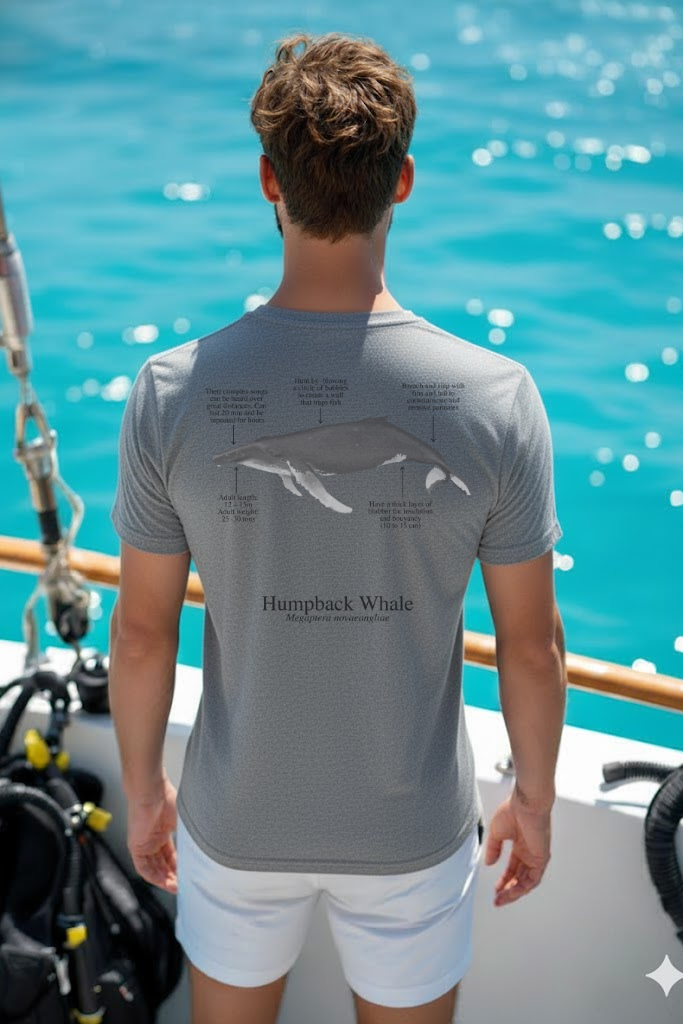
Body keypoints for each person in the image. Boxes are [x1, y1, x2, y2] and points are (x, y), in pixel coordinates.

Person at [108, 31, 567, 1024]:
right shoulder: (497, 398)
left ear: (268, 181)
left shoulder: (171, 393)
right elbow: (530, 647)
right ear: (400, 181)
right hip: (410, 832)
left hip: (236, 822)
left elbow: (143, 634)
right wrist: (532, 799)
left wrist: (144, 791)